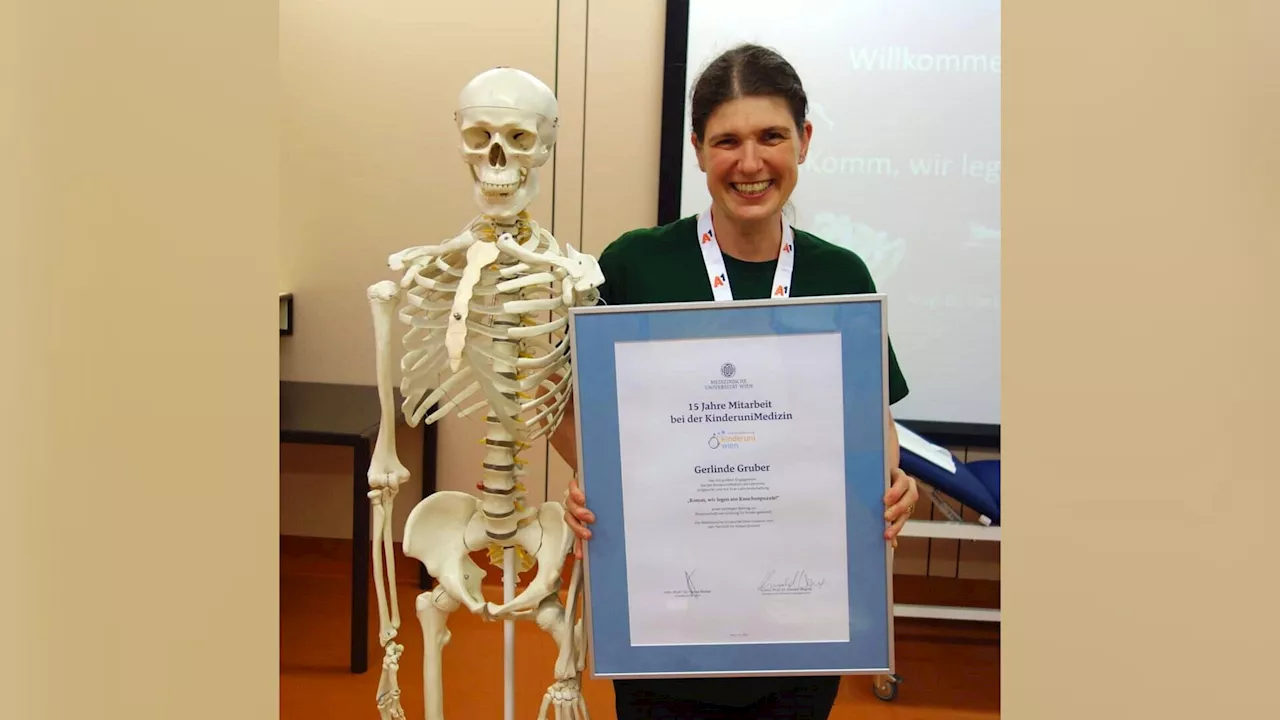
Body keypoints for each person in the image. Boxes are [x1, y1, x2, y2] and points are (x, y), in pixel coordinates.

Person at [548, 42, 921, 719]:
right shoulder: (634, 267)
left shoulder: (841, 279)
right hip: (667, 618)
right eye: (727, 141)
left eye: (771, 136)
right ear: (697, 149)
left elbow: (875, 424)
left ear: (803, 141)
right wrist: (601, 484)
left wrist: (891, 484)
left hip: (803, 620)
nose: (750, 163)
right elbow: (565, 411)